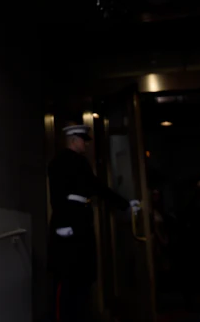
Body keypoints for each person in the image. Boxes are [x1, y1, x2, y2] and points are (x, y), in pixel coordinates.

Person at [48, 124, 138, 322]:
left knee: (82, 276)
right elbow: (57, 194)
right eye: (83, 140)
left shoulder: (80, 162)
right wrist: (62, 223)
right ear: (73, 140)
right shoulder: (59, 162)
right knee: (66, 277)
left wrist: (124, 204)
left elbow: (96, 186)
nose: (85, 145)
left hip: (80, 221)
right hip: (69, 222)